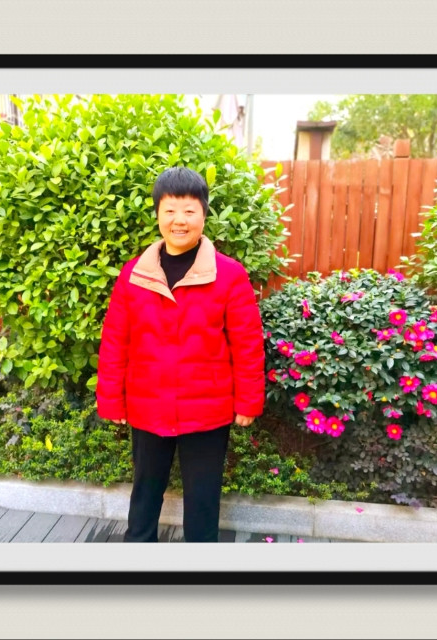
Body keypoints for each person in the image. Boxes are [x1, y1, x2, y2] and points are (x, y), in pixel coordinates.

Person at [96, 166, 265, 542]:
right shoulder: (134, 275)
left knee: (203, 498)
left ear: (204, 214)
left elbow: (247, 344)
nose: (179, 220)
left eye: (189, 210)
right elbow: (115, 342)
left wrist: (248, 401)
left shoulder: (229, 275)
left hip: (207, 410)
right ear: (158, 214)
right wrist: (111, 400)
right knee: (145, 491)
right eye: (170, 210)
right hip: (147, 405)